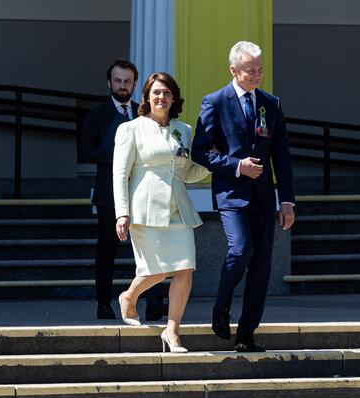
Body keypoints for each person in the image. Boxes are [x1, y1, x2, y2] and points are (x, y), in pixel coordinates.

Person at [191, 41, 295, 353]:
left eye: (261, 69)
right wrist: (236, 166)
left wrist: (287, 200)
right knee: (241, 248)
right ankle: (221, 307)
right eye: (251, 70)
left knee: (261, 266)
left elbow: (282, 155)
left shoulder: (270, 104)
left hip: (263, 197)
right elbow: (200, 151)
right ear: (234, 71)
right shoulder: (215, 102)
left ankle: (247, 334)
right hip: (231, 194)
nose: (257, 75)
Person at [112, 72, 210, 353]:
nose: (161, 97)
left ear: (174, 97)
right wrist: (122, 213)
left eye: (167, 92)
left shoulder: (184, 129)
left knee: (185, 269)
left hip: (178, 208)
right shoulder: (131, 129)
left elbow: (189, 174)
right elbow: (120, 174)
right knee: (159, 269)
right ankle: (129, 297)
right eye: (156, 92)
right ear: (146, 97)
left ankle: (173, 331)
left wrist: (211, 162)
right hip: (144, 209)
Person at [79, 59, 169, 321]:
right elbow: (85, 151)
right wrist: (121, 154)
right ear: (109, 83)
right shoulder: (97, 115)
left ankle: (154, 303)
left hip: (144, 191)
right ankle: (103, 303)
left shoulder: (144, 112)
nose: (122, 86)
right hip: (110, 194)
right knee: (107, 248)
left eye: (127, 81)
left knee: (151, 248)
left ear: (135, 83)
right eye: (117, 81)